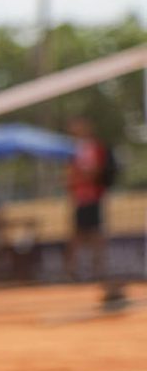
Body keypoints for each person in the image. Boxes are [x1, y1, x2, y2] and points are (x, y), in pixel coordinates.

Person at [65, 116, 115, 286]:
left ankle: (98, 271)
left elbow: (96, 171)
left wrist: (81, 177)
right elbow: (71, 174)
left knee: (95, 234)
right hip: (80, 198)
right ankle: (74, 272)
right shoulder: (74, 148)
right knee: (78, 234)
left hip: (92, 197)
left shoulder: (94, 147)